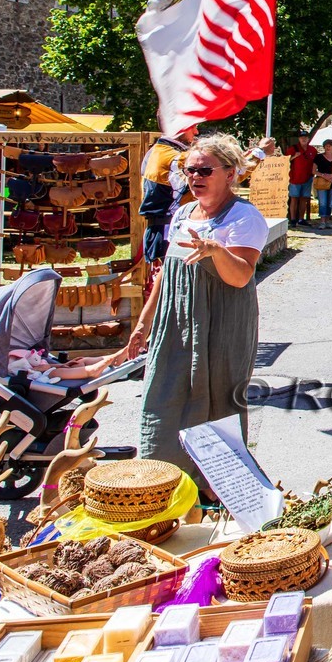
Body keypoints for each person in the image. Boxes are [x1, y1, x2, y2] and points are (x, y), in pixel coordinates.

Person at [104, 134, 265, 484]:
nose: (195, 177)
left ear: (231, 173)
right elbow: (166, 273)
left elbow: (241, 277)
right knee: (164, 396)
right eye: (189, 170)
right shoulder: (182, 214)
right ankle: (162, 483)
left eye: (204, 170)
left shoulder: (244, 217)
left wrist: (216, 251)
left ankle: (217, 490)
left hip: (222, 325)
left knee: (218, 405)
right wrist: (143, 324)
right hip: (175, 325)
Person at [140, 123, 198, 275]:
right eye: (193, 126)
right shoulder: (176, 158)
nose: (196, 132)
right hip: (171, 232)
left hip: (161, 229)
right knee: (177, 281)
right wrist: (256, 155)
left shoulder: (156, 151)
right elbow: (222, 177)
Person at [286, 131, 318, 226]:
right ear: (299, 139)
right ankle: (293, 219)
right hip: (295, 178)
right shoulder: (293, 149)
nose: (303, 139)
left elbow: (316, 162)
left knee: (304, 199)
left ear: (308, 139)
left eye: (305, 137)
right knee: (294, 199)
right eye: (302, 137)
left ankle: (301, 219)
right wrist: (294, 156)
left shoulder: (312, 150)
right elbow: (285, 160)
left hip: (307, 178)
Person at [312, 140, 332, 230]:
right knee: (323, 202)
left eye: (330, 146)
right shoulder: (319, 157)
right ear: (324, 147)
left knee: (330, 203)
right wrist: (323, 175)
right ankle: (322, 221)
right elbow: (313, 170)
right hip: (321, 183)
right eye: (326, 146)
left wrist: (331, 176)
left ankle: (327, 221)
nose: (328, 147)